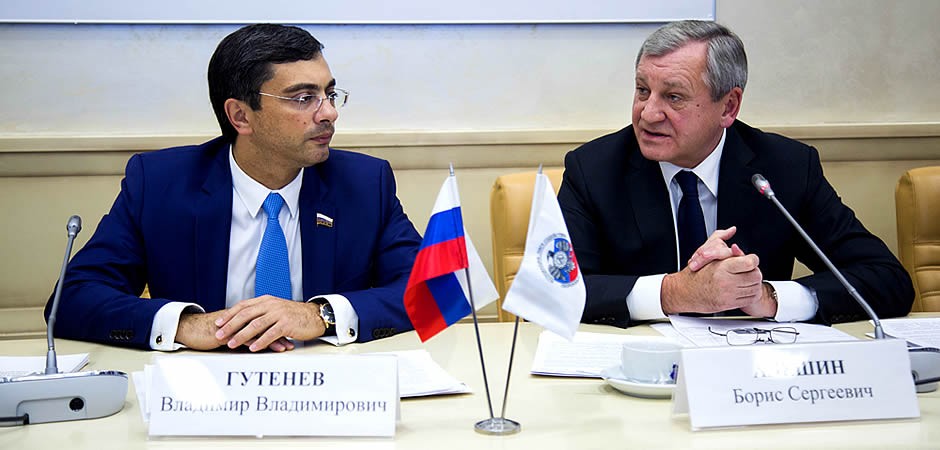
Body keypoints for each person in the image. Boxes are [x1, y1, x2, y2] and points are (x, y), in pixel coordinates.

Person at [46, 24, 422, 352]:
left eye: (330, 94)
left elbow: (431, 290)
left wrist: (320, 315)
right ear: (240, 115)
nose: (329, 113)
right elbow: (72, 299)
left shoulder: (365, 183)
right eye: (304, 98)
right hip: (199, 387)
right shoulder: (160, 183)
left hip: (331, 384)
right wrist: (187, 325)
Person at [557, 20, 914, 328]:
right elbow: (558, 291)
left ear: (728, 106)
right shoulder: (594, 170)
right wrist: (673, 292)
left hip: (753, 373)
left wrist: (768, 297)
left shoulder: (785, 169)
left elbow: (886, 278)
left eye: (674, 97)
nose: (648, 113)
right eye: (642, 91)